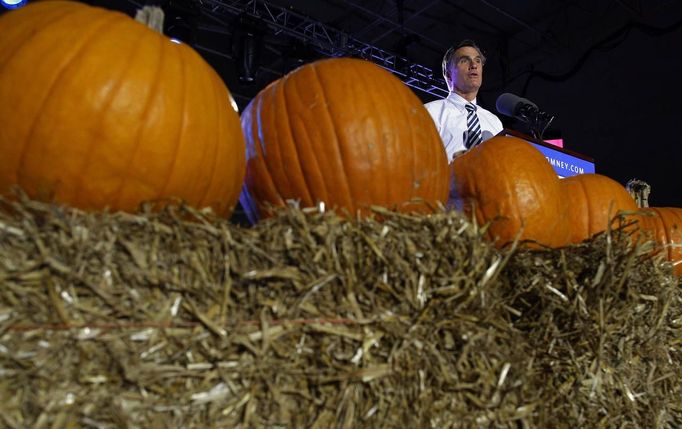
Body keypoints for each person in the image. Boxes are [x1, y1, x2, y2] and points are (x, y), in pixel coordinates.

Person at [425, 40, 503, 162]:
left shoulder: (494, 121)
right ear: (449, 75)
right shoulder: (429, 112)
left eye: (478, 60)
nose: (474, 65)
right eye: (464, 60)